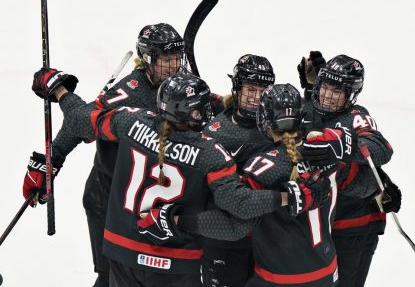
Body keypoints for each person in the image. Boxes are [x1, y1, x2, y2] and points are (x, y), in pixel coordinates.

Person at [29, 69, 306, 286]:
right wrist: (284, 196)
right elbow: (237, 216)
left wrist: (60, 89)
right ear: (193, 114)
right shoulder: (211, 154)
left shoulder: (131, 121)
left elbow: (79, 119)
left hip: (122, 252)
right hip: (174, 265)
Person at [22, 23, 223, 287]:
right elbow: (82, 122)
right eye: (166, 60)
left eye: (177, 58)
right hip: (108, 200)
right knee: (110, 276)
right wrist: (52, 160)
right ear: (148, 59)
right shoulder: (127, 94)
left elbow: (215, 109)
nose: (174, 66)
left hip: (151, 201)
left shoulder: (181, 87)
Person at [174, 83, 355, 286]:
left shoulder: (266, 167)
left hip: (279, 278)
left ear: (265, 119)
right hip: (327, 274)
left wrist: (181, 220)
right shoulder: (328, 152)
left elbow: (235, 222)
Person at [298, 54, 401, 287]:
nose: (327, 96)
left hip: (355, 227)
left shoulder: (356, 116)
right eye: (325, 87)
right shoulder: (309, 109)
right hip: (321, 226)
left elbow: (381, 149)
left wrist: (345, 145)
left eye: (337, 92)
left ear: (351, 95)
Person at [200, 54, 275, 287]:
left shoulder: (277, 127)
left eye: (262, 90)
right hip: (224, 239)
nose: (256, 97)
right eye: (251, 89)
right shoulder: (214, 131)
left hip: (268, 239)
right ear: (237, 88)